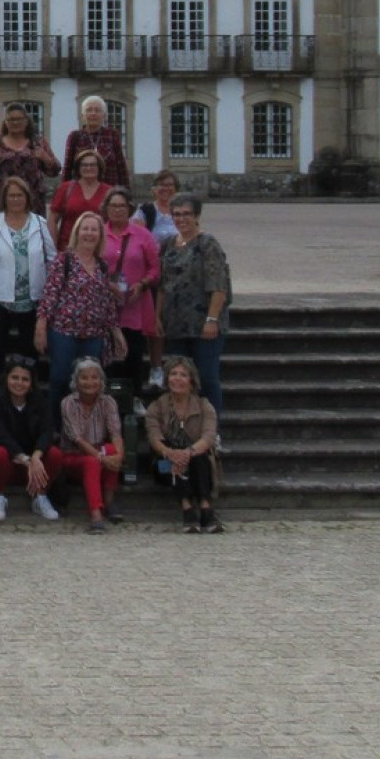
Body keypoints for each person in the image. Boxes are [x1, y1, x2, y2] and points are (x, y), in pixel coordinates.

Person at [36, 210, 128, 413]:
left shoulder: (102, 266)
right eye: (85, 229)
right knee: (60, 379)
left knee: (90, 384)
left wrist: (116, 331)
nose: (89, 233)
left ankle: (84, 425)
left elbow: (106, 301)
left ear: (100, 235)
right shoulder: (64, 261)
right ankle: (56, 424)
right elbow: (50, 295)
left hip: (93, 335)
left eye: (94, 230)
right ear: (77, 232)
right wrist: (41, 326)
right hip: (64, 332)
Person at [0, 176, 57, 379]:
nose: (15, 199)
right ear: (4, 198)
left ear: (27, 197)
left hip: (31, 299)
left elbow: (52, 260)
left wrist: (50, 297)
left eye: (19, 195)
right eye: (11, 195)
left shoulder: (39, 223)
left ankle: (29, 387)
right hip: (0, 298)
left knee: (29, 350)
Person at [160, 195, 231, 419]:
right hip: (175, 324)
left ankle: (212, 429)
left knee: (206, 378)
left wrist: (212, 320)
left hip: (203, 324)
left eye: (186, 214)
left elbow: (218, 286)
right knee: (177, 379)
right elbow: (162, 285)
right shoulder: (168, 244)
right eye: (177, 214)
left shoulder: (207, 244)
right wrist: (157, 317)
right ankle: (182, 426)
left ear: (197, 216)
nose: (181, 219)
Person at [146, 354, 222, 532]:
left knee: (199, 459)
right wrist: (171, 453)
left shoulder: (205, 406)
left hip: (196, 458)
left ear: (191, 381)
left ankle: (205, 507)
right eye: (173, 374)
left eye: (183, 375)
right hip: (164, 460)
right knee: (170, 464)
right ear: (167, 378)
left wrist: (187, 453)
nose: (177, 379)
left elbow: (208, 437)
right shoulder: (156, 407)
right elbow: (154, 438)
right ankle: (186, 507)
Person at [47, 358, 123, 532]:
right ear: (76, 381)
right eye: (84, 378)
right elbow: (77, 439)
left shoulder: (108, 401)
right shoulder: (68, 402)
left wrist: (119, 456)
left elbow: (116, 433)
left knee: (113, 449)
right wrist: (101, 458)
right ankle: (96, 514)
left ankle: (109, 501)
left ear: (101, 381)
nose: (90, 382)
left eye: (94, 377)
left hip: (98, 451)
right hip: (73, 455)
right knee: (92, 461)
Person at [101, 186, 164, 388]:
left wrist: (143, 283)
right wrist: (105, 284)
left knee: (134, 356)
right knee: (107, 361)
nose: (117, 210)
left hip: (134, 304)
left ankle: (134, 398)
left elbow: (155, 268)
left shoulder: (143, 235)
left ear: (129, 208)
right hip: (105, 306)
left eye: (122, 206)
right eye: (113, 206)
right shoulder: (98, 233)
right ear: (106, 208)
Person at [0, 356, 57, 523]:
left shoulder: (41, 401)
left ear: (31, 383)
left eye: (25, 379)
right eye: (14, 378)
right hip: (8, 462)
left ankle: (40, 496)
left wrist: (36, 456)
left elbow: (47, 431)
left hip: (35, 468)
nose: (19, 383)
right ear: (6, 379)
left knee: (54, 454)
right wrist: (23, 458)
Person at [0, 102, 59, 215]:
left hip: (34, 202)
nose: (15, 122)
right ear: (5, 122)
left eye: (19, 119)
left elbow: (55, 171)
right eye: (11, 119)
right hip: (6, 203)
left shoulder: (38, 143)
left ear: (27, 121)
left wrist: (46, 159)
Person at [62, 94, 130, 191]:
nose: (93, 113)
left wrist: (126, 194)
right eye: (89, 110)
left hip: (109, 192)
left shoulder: (112, 135)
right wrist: (64, 192)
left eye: (97, 110)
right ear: (83, 116)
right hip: (81, 192)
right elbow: (67, 169)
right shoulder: (75, 137)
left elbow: (121, 168)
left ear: (104, 116)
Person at [50, 148, 111, 250]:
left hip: (99, 249)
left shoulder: (109, 192)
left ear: (99, 168)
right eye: (84, 165)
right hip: (68, 248)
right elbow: (52, 220)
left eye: (92, 165)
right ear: (78, 168)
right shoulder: (66, 188)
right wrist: (54, 247)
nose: (88, 168)